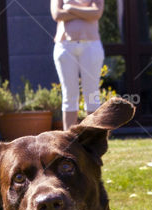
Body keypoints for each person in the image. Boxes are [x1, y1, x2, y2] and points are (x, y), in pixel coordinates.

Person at [51, 0, 104, 129]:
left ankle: (93, 139)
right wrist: (85, 11)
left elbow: (96, 13)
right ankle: (68, 143)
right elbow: (57, 14)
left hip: (91, 46)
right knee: (69, 95)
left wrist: (69, 8)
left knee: (92, 95)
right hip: (64, 46)